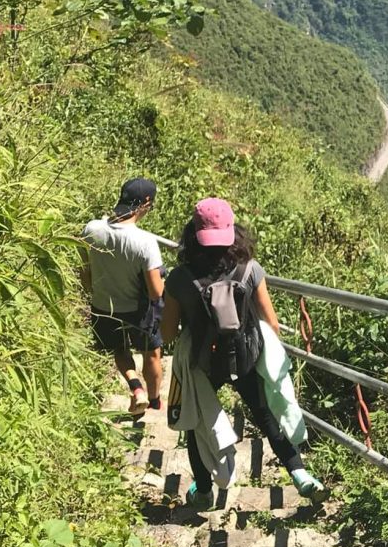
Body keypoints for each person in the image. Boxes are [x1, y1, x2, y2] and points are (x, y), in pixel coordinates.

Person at [161, 197, 324, 505]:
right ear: (233, 231)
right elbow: (271, 324)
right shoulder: (250, 270)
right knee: (266, 416)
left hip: (202, 362)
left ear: (193, 233)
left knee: (198, 423)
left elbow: (167, 333)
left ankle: (205, 491)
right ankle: (300, 474)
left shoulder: (180, 278)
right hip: (245, 356)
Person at [80, 177, 165, 415]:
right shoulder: (145, 242)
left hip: (103, 305)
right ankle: (155, 400)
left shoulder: (91, 229)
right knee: (152, 353)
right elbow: (156, 292)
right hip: (138, 310)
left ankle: (136, 388)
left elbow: (84, 272)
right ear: (146, 204)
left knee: (120, 350)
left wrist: (94, 294)